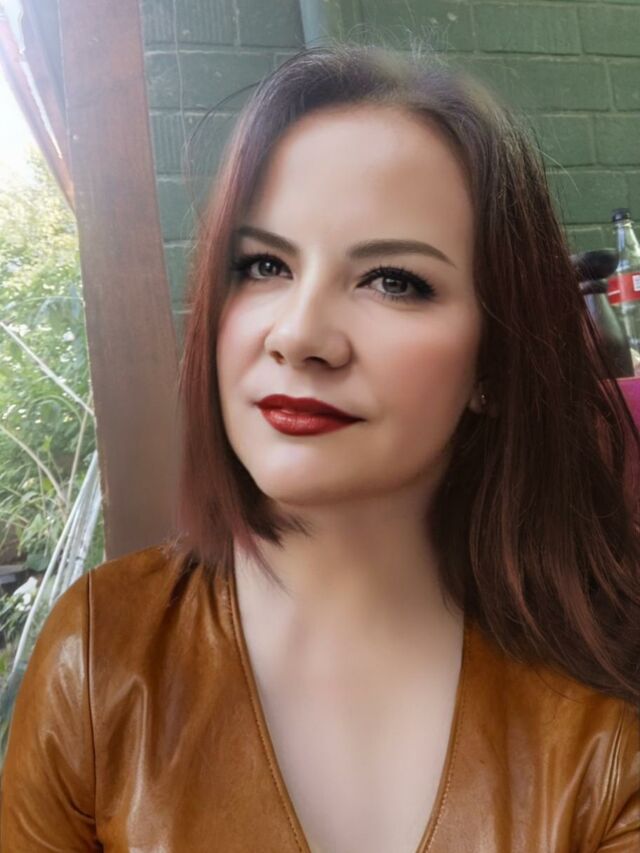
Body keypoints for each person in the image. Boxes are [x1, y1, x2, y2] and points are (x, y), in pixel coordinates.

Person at [1, 42, 639, 853]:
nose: (299, 334)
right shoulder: (97, 659)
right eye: (263, 264)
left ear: (494, 358)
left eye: (394, 280)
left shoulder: (607, 710)